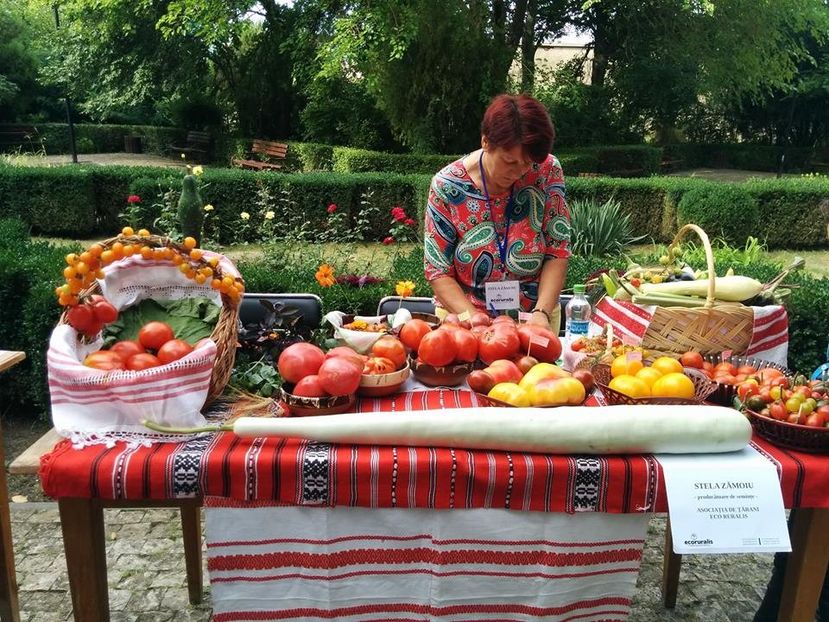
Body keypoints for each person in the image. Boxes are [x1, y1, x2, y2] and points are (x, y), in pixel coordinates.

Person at [423, 93, 570, 331]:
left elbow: (558, 249)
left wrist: (541, 312)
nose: (519, 172)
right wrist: (476, 323)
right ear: (485, 142)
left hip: (534, 317)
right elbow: (437, 270)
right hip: (465, 318)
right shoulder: (448, 186)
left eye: (528, 163)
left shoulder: (546, 170)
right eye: (510, 161)